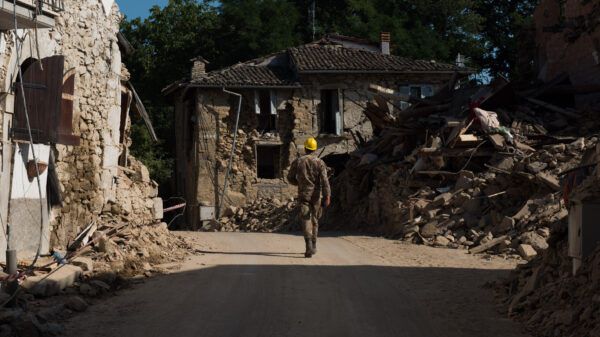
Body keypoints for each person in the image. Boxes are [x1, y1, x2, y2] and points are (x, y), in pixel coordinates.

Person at [287, 137, 331, 258]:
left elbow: (290, 177)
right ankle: (314, 245)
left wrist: (299, 183)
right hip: (317, 196)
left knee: (306, 219)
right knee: (315, 220)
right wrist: (327, 196)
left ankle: (308, 246)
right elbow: (325, 181)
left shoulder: (298, 161)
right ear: (315, 149)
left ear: (306, 148)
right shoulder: (320, 163)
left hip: (303, 195)